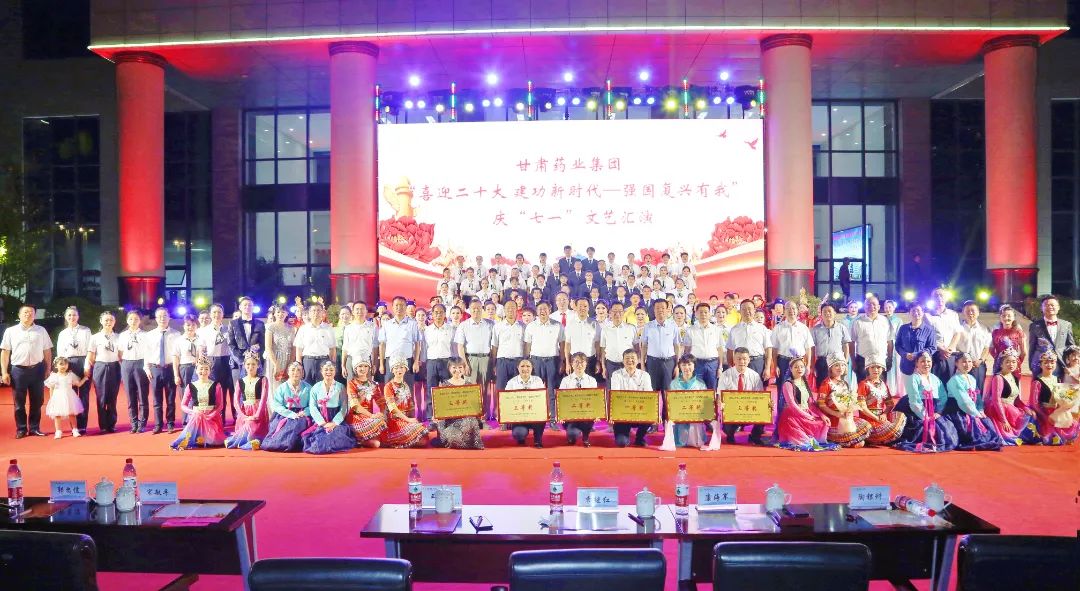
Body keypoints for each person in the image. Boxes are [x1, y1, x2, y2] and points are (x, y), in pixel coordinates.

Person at [894, 352, 958, 452]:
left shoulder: (935, 378)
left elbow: (943, 397)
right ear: (916, 363)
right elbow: (914, 400)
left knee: (946, 429)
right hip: (916, 411)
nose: (926, 364)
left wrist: (939, 412)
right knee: (923, 429)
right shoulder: (913, 378)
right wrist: (925, 416)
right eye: (922, 361)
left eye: (928, 361)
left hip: (934, 410)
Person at [942, 353, 1003, 451]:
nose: (967, 364)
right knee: (970, 427)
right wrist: (975, 413)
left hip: (972, 409)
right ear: (956, 363)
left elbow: (978, 396)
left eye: (969, 361)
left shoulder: (971, 378)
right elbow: (963, 400)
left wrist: (980, 409)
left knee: (986, 421)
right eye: (964, 362)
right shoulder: (955, 380)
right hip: (958, 410)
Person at [775, 357, 837, 452]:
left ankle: (818, 440)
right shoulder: (788, 384)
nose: (799, 369)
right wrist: (806, 416)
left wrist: (822, 415)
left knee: (824, 422)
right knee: (805, 442)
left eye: (801, 367)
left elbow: (811, 404)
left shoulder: (805, 383)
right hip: (792, 417)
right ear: (791, 369)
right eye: (796, 367)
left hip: (805, 413)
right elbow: (792, 405)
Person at [983, 348, 1040, 445]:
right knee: (1011, 435)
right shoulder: (998, 378)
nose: (1011, 364)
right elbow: (996, 400)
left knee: (1031, 415)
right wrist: (1004, 420)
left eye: (1014, 362)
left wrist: (1026, 408)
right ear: (1001, 364)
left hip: (1011, 409)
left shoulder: (1014, 377)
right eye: (1007, 362)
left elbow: (1016, 399)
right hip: (999, 411)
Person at [170, 357, 226, 450]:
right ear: (196, 370)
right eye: (201, 369)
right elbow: (183, 405)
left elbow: (220, 405)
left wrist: (211, 415)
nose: (203, 371)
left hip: (211, 419)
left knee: (214, 441)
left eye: (206, 369)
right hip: (196, 418)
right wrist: (193, 412)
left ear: (210, 371)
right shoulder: (190, 386)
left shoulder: (216, 385)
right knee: (188, 440)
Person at [141, 307, 181, 434]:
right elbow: (146, 353)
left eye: (165, 316)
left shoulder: (176, 334)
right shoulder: (149, 335)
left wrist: (177, 371)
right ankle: (158, 425)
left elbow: (178, 354)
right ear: (156, 318)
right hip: (155, 369)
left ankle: (170, 423)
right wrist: (147, 368)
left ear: (169, 317)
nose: (162, 319)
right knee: (156, 399)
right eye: (159, 316)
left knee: (171, 399)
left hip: (170, 368)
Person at [301, 361, 355, 454]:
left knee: (334, 435)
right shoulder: (315, 387)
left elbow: (344, 407)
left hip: (335, 418)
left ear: (335, 371)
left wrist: (334, 422)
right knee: (319, 438)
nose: (328, 372)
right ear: (321, 371)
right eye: (326, 369)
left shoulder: (340, 387)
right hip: (320, 419)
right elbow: (312, 407)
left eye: (331, 370)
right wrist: (322, 423)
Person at [430, 357, 484, 449]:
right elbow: (440, 407)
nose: (457, 370)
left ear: (464, 368)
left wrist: (479, 411)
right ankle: (463, 442)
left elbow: (474, 406)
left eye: (460, 367)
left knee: (471, 420)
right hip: (450, 423)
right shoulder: (444, 385)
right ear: (449, 368)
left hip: (466, 421)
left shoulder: (469, 385)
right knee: (452, 437)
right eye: (454, 367)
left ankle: (469, 441)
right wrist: (436, 415)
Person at [455, 298, 495, 422]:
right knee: (470, 388)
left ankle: (483, 417)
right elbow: (460, 347)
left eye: (478, 308)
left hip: (486, 359)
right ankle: (471, 417)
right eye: (473, 309)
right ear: (469, 310)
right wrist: (465, 364)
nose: (476, 311)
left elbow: (494, 345)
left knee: (485, 389)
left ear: (482, 309)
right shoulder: (463, 325)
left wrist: (493, 362)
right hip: (470, 359)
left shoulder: (490, 324)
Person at [816, 356, 871, 448]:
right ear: (831, 368)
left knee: (866, 426)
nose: (840, 368)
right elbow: (821, 405)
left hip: (846, 416)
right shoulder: (826, 384)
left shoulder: (844, 383)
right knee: (859, 443)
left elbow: (848, 402)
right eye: (836, 365)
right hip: (833, 418)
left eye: (842, 365)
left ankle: (848, 440)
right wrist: (836, 414)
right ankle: (841, 440)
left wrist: (849, 411)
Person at [1028, 351, 1079, 445]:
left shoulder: (1058, 379)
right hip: (1043, 413)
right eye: (1046, 362)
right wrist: (1045, 417)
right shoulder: (1037, 382)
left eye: (1052, 362)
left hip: (1056, 412)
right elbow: (1033, 403)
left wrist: (1064, 407)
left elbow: (1061, 397)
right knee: (1051, 435)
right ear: (1040, 365)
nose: (1049, 365)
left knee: (1073, 424)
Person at [659, 355, 709, 450]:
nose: (686, 367)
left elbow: (705, 402)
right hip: (679, 416)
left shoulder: (701, 383)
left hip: (695, 416)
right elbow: (671, 403)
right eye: (684, 365)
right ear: (679, 366)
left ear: (694, 366)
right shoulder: (673, 383)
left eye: (689, 364)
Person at [718, 347, 767, 445]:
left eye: (744, 359)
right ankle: (730, 435)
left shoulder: (755, 376)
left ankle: (755, 436)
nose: (742, 361)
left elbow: (760, 396)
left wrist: (766, 404)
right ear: (734, 360)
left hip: (749, 410)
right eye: (739, 359)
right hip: (732, 410)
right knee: (727, 421)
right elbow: (719, 394)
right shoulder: (725, 375)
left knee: (765, 409)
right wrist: (720, 403)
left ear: (748, 360)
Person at [524, 301, 563, 423]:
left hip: (552, 361)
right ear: (536, 311)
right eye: (540, 309)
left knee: (552, 391)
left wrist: (562, 362)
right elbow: (527, 346)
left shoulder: (557, 325)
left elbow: (562, 345)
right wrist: (527, 362)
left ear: (550, 310)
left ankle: (553, 419)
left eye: (545, 308)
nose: (542, 311)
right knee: (536, 390)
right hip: (536, 361)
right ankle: (536, 418)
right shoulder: (531, 326)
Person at [56, 306, 92, 434]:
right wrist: (62, 369)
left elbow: (90, 350)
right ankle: (74, 426)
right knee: (70, 396)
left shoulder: (85, 330)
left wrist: (87, 366)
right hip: (68, 364)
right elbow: (60, 353)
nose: (72, 317)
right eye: (69, 315)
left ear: (78, 316)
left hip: (83, 362)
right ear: (66, 317)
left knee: (84, 395)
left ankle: (82, 425)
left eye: (74, 315)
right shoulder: (63, 333)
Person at [261, 361, 312, 452]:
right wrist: (291, 414)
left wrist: (305, 412)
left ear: (302, 373)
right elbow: (277, 405)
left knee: (299, 424)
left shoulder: (308, 387)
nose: (295, 372)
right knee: (284, 431)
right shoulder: (282, 387)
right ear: (288, 372)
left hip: (303, 414)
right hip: (285, 414)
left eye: (298, 370)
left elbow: (312, 405)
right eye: (293, 370)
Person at [197, 304, 235, 424]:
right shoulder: (204, 331)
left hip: (227, 362)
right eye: (214, 312)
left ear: (223, 314)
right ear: (210, 314)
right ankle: (217, 420)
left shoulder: (229, 329)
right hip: (212, 362)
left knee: (230, 390)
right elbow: (201, 349)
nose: (216, 315)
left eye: (219, 312)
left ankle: (236, 419)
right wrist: (202, 365)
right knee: (215, 392)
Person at [225, 352, 270, 450]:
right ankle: (243, 440)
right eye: (248, 364)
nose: (251, 367)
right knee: (246, 425)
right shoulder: (240, 381)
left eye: (253, 364)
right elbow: (236, 401)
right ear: (244, 365)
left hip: (258, 412)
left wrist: (257, 415)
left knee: (252, 426)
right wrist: (243, 415)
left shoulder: (263, 380)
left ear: (258, 365)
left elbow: (263, 399)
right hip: (245, 412)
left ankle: (250, 440)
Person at [381, 357, 430, 448]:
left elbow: (410, 406)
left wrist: (414, 420)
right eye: (396, 368)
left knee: (424, 435)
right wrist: (409, 420)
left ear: (406, 369)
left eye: (401, 367)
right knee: (422, 440)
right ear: (392, 370)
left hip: (406, 419)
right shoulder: (388, 386)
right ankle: (400, 441)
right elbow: (393, 410)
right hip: (395, 421)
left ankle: (408, 440)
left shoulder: (405, 385)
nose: (399, 370)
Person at [856, 358, 906, 447]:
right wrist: (876, 418)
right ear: (868, 369)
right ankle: (874, 438)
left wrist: (884, 414)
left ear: (882, 369)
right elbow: (862, 408)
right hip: (869, 419)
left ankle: (880, 439)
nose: (875, 370)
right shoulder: (863, 384)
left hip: (881, 417)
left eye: (878, 367)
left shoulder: (883, 385)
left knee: (901, 416)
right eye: (872, 367)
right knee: (892, 431)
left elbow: (890, 404)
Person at [609, 349, 654, 447]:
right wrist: (612, 414)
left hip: (639, 412)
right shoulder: (616, 375)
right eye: (627, 358)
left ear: (638, 360)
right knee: (621, 443)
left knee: (652, 414)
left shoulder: (645, 375)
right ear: (623, 361)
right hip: (622, 414)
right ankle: (624, 434)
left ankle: (639, 438)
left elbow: (649, 396)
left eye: (633, 358)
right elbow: (615, 396)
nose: (630, 360)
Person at [87, 311, 121, 433]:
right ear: (101, 321)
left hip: (114, 367)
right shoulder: (95, 337)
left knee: (113, 397)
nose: (108, 322)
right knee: (101, 397)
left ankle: (111, 424)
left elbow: (121, 355)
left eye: (111, 320)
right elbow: (90, 356)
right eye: (106, 320)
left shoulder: (118, 337)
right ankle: (103, 425)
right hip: (100, 367)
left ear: (114, 322)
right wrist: (89, 368)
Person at [421, 304, 455, 423]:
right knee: (431, 391)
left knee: (447, 391)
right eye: (436, 312)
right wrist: (423, 362)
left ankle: (449, 418)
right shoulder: (427, 330)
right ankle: (431, 419)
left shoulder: (450, 329)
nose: (438, 315)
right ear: (432, 314)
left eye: (441, 312)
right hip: (431, 362)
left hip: (447, 362)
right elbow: (424, 348)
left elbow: (453, 347)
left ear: (445, 314)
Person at [1027, 295, 1076, 378]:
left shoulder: (1066, 325)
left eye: (1052, 305)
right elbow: (1032, 346)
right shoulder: (1035, 326)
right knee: (1040, 386)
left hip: (1060, 365)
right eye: (1046, 305)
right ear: (1041, 308)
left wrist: (1073, 364)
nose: (1050, 307)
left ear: (1058, 307)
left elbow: (1070, 346)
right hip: (1040, 365)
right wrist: (1031, 365)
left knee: (1059, 386)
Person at [118, 309, 150, 433]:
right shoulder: (122, 335)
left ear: (140, 320)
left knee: (142, 394)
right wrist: (124, 364)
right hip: (126, 363)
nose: (133, 321)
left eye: (136, 319)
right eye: (131, 319)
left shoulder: (145, 335)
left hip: (141, 363)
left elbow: (148, 352)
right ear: (127, 320)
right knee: (130, 395)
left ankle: (142, 423)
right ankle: (134, 423)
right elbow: (120, 352)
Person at [502, 358, 547, 447]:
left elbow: (542, 399)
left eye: (528, 366)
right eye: (522, 366)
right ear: (517, 367)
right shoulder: (511, 382)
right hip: (518, 417)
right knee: (519, 434)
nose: (525, 368)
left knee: (542, 415)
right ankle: (521, 438)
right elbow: (506, 402)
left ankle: (538, 440)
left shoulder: (538, 380)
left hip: (534, 416)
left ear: (532, 368)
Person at [726, 299, 772, 384]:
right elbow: (730, 350)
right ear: (740, 311)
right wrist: (730, 367)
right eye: (744, 309)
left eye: (749, 309)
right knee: (741, 389)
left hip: (757, 363)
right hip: (740, 363)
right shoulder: (734, 329)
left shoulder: (762, 328)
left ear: (754, 310)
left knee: (759, 389)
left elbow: (768, 349)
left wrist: (767, 368)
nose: (747, 311)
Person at [894, 304, 937, 393]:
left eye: (918, 310)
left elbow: (932, 347)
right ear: (909, 313)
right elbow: (898, 345)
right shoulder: (903, 328)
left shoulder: (929, 330)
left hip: (923, 366)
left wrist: (916, 355)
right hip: (906, 365)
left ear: (923, 312)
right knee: (909, 392)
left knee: (922, 392)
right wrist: (905, 354)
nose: (916, 313)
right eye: (913, 311)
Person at [344, 359, 387, 448]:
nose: (363, 369)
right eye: (360, 366)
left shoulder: (373, 384)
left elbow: (381, 402)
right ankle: (356, 440)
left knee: (377, 442)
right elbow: (355, 406)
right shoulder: (352, 384)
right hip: (356, 417)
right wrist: (371, 415)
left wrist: (382, 413)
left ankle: (361, 440)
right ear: (355, 369)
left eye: (365, 366)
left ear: (369, 368)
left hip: (370, 418)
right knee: (377, 439)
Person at [850, 294, 893, 382]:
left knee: (880, 387)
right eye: (868, 304)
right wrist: (853, 361)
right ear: (864, 307)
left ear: (879, 307)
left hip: (881, 360)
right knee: (863, 387)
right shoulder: (857, 322)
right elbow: (851, 342)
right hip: (863, 361)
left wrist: (890, 358)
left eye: (874, 304)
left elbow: (890, 341)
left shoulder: (885, 321)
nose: (871, 307)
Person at [558, 352, 598, 447]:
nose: (579, 365)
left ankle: (585, 437)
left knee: (590, 417)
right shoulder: (565, 380)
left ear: (586, 364)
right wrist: (561, 414)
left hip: (586, 414)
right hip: (570, 415)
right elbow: (560, 399)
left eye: (582, 362)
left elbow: (595, 399)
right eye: (576, 362)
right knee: (573, 434)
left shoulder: (592, 380)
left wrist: (597, 413)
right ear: (572, 364)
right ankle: (571, 434)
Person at [809, 303, 851, 388]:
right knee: (822, 387)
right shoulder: (815, 329)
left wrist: (845, 362)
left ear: (834, 312)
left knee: (838, 388)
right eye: (824, 311)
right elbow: (812, 349)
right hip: (822, 362)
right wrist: (812, 365)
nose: (827, 313)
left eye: (829, 311)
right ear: (821, 314)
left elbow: (846, 346)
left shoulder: (841, 328)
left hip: (837, 362)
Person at [294, 303, 337, 386]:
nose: (316, 313)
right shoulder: (303, 329)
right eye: (313, 310)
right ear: (309, 313)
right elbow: (299, 349)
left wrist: (332, 365)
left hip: (324, 361)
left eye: (318, 310)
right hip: (307, 361)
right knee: (306, 386)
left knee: (323, 387)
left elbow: (332, 349)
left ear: (322, 312)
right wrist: (299, 365)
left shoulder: (328, 328)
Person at [44, 356, 86, 438]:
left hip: (69, 397)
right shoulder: (54, 376)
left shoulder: (70, 375)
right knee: (57, 415)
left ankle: (75, 430)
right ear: (56, 366)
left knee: (72, 414)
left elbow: (78, 384)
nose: (63, 366)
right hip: (58, 397)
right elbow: (51, 388)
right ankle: (58, 431)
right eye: (61, 364)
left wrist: (85, 378)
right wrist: (52, 399)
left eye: (65, 364)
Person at [926, 289, 961, 383]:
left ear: (946, 298)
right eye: (936, 296)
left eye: (942, 295)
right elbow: (927, 336)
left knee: (950, 383)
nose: (939, 298)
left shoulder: (953, 314)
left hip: (950, 354)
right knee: (935, 383)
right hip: (935, 354)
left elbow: (957, 333)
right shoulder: (927, 316)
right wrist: (941, 349)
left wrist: (949, 349)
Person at [173, 314, 201, 422]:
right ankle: (186, 422)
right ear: (184, 326)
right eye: (188, 325)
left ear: (196, 326)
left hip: (199, 370)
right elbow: (176, 358)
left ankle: (197, 420)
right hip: (184, 369)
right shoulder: (178, 340)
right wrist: (176, 375)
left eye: (193, 325)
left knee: (198, 395)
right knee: (185, 395)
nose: (190, 327)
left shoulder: (201, 339)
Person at [990, 304, 1026, 377]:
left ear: (1014, 318)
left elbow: (1024, 352)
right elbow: (991, 349)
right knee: (998, 382)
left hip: (1014, 366)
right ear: (1000, 318)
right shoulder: (995, 332)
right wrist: (1000, 360)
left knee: (1013, 383)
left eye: (1009, 316)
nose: (1006, 318)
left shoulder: (1019, 332)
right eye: (1003, 316)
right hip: (999, 365)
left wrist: (1016, 362)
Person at [881, 299, 905, 398]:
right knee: (887, 368)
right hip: (884, 345)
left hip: (895, 346)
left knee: (896, 367)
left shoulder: (898, 320)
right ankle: (889, 389)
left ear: (894, 308)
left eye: (890, 307)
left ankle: (898, 390)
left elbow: (900, 334)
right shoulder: (881, 319)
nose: (888, 309)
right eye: (886, 307)